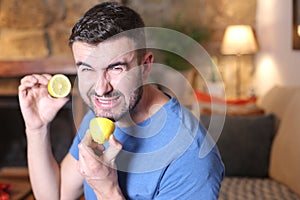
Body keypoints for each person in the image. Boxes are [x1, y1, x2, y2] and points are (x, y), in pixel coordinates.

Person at [18, 1, 224, 199]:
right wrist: (36, 128)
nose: (101, 88)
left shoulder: (191, 155)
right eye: (87, 69)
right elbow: (57, 195)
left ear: (145, 66)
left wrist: (107, 190)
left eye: (116, 68)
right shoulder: (103, 112)